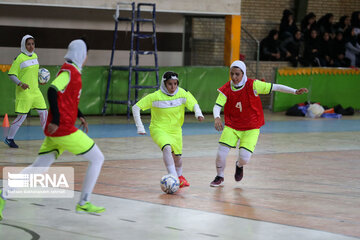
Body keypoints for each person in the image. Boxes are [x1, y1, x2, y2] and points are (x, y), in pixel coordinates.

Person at [0, 39, 105, 220]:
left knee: (38, 169)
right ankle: (84, 202)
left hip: (57, 131)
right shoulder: (70, 72)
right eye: (86, 53)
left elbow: (67, 99)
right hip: (63, 129)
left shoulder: (70, 70)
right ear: (81, 54)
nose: (87, 57)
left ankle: (3, 194)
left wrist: (79, 114)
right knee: (98, 158)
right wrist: (56, 119)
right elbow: (52, 90)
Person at [210, 60, 308, 187]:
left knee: (244, 158)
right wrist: (217, 117)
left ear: (243, 73)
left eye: (237, 74)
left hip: (251, 127)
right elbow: (217, 106)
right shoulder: (226, 88)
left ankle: (239, 165)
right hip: (232, 125)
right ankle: (219, 176)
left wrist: (295, 91)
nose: (234, 77)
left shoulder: (254, 85)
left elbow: (275, 87)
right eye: (232, 74)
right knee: (221, 153)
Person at [132, 71, 204, 188]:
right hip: (158, 129)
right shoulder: (155, 97)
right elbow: (136, 108)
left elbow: (194, 103)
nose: (173, 87)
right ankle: (173, 177)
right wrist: (140, 127)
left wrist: (198, 114)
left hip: (176, 131)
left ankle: (180, 177)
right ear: (164, 83)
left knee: (178, 158)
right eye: (170, 84)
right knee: (166, 148)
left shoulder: (182, 93)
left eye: (175, 84)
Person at [4, 35, 48, 148]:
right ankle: (9, 139)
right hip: (24, 93)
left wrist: (41, 79)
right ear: (24, 45)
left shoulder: (35, 55)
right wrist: (20, 83)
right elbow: (11, 74)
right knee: (21, 117)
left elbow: (34, 71)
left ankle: (49, 138)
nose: (31, 46)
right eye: (28, 44)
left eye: (33, 44)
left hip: (36, 91)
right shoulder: (19, 58)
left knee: (44, 113)